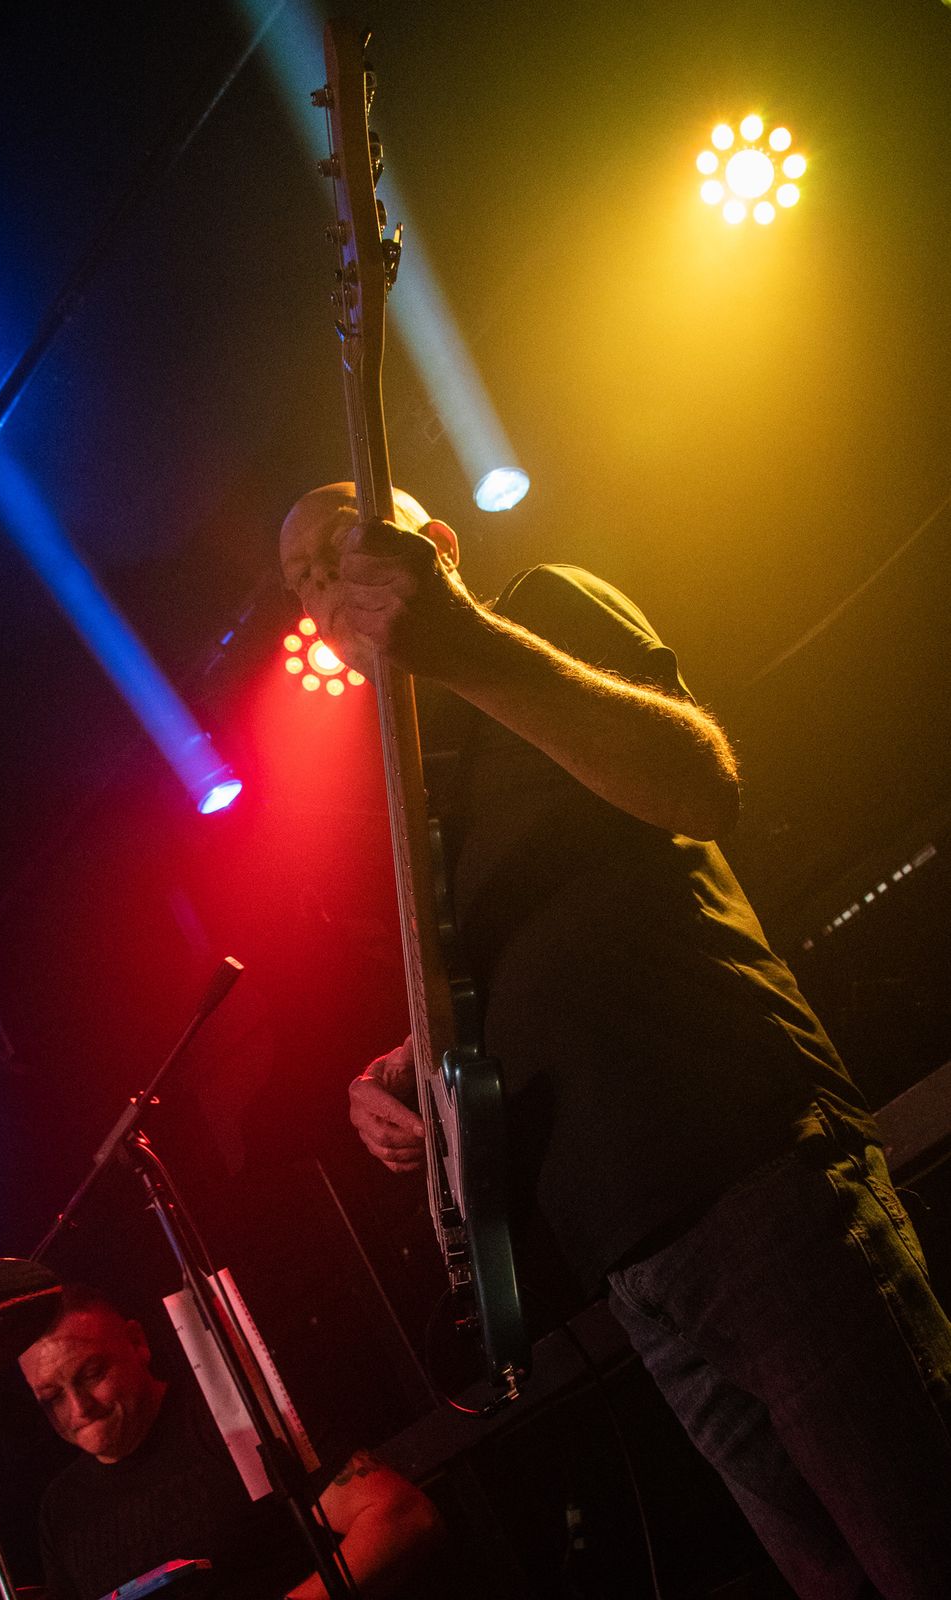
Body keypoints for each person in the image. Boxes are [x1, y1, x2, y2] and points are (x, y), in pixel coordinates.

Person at [278, 482, 951, 1600]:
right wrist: (397, 1069)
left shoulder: (538, 609)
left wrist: (464, 641)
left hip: (742, 1162)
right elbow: (504, 972)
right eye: (298, 580)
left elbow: (698, 780)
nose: (317, 586)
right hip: (625, 1258)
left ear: (433, 543)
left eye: (333, 548)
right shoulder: (413, 784)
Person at [17, 1285, 442, 1600]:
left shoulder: (230, 1418)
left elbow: (401, 1515)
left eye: (92, 1374)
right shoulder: (61, 1508)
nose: (79, 1408)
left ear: (136, 1342)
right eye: (52, 1398)